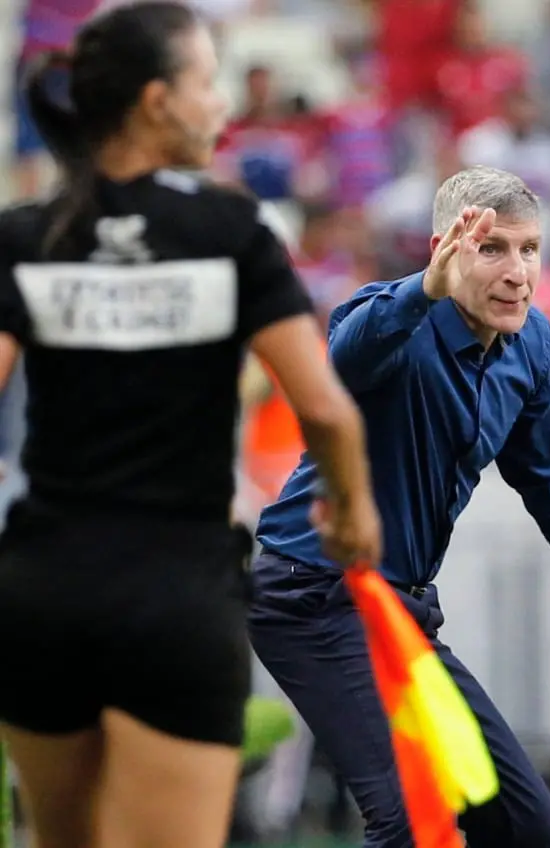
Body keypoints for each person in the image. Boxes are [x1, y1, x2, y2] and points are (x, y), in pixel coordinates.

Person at [0, 4, 381, 848]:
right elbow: (324, 409)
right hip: (175, 600)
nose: (221, 106)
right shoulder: (230, 232)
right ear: (156, 102)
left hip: (40, 595)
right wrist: (351, 512)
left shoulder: (25, 235)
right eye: (207, 83)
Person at [248, 165, 550, 848]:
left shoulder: (532, 343)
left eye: (529, 249)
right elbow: (339, 363)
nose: (517, 271)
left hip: (399, 610)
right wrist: (422, 290)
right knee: (406, 819)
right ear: (444, 251)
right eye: (491, 248)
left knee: (528, 830)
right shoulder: (395, 317)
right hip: (311, 593)